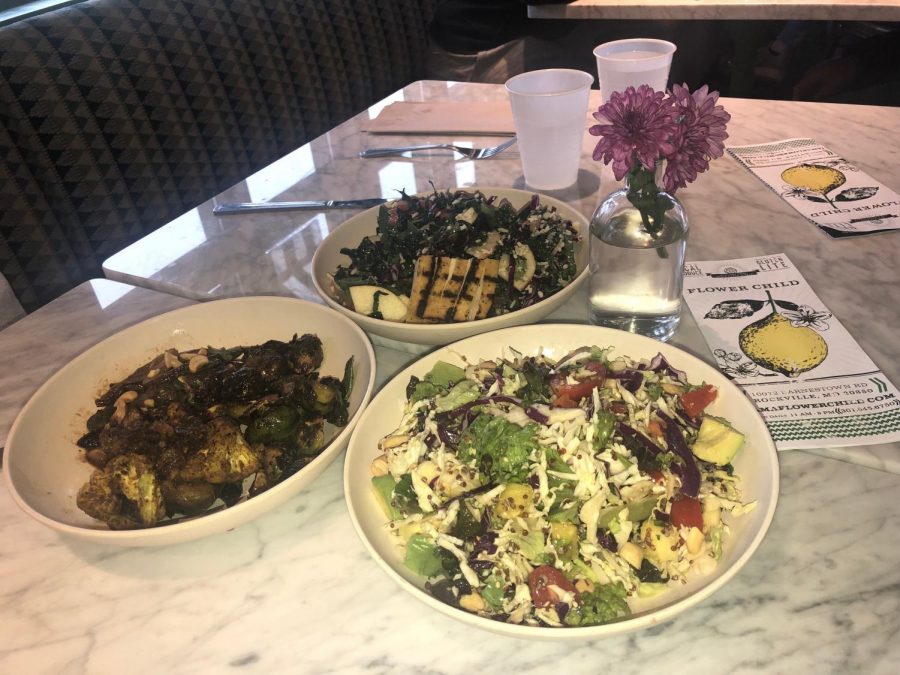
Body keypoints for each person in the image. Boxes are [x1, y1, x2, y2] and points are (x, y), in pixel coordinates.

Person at [426, 0, 726, 90]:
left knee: (660, 36)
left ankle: (658, 151)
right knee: (633, 69)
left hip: (533, 30)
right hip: (479, 55)